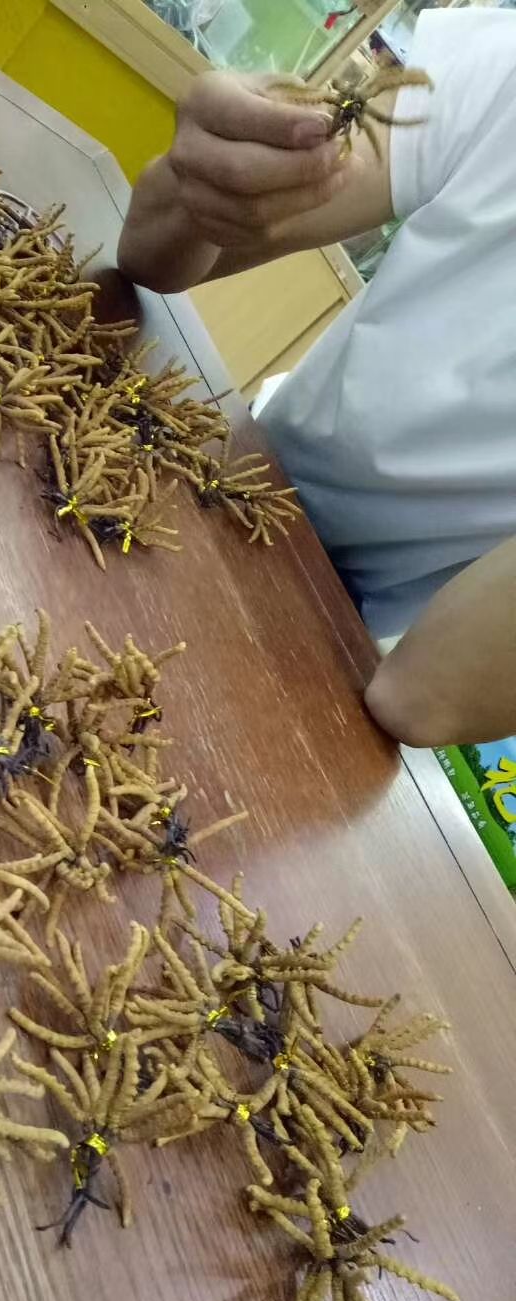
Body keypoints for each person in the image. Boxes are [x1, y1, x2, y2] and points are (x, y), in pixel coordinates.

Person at [117, 6, 516, 748]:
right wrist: (214, 174)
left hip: (332, 632)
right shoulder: (505, 71)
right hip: (217, 462)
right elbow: (152, 249)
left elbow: (419, 699)